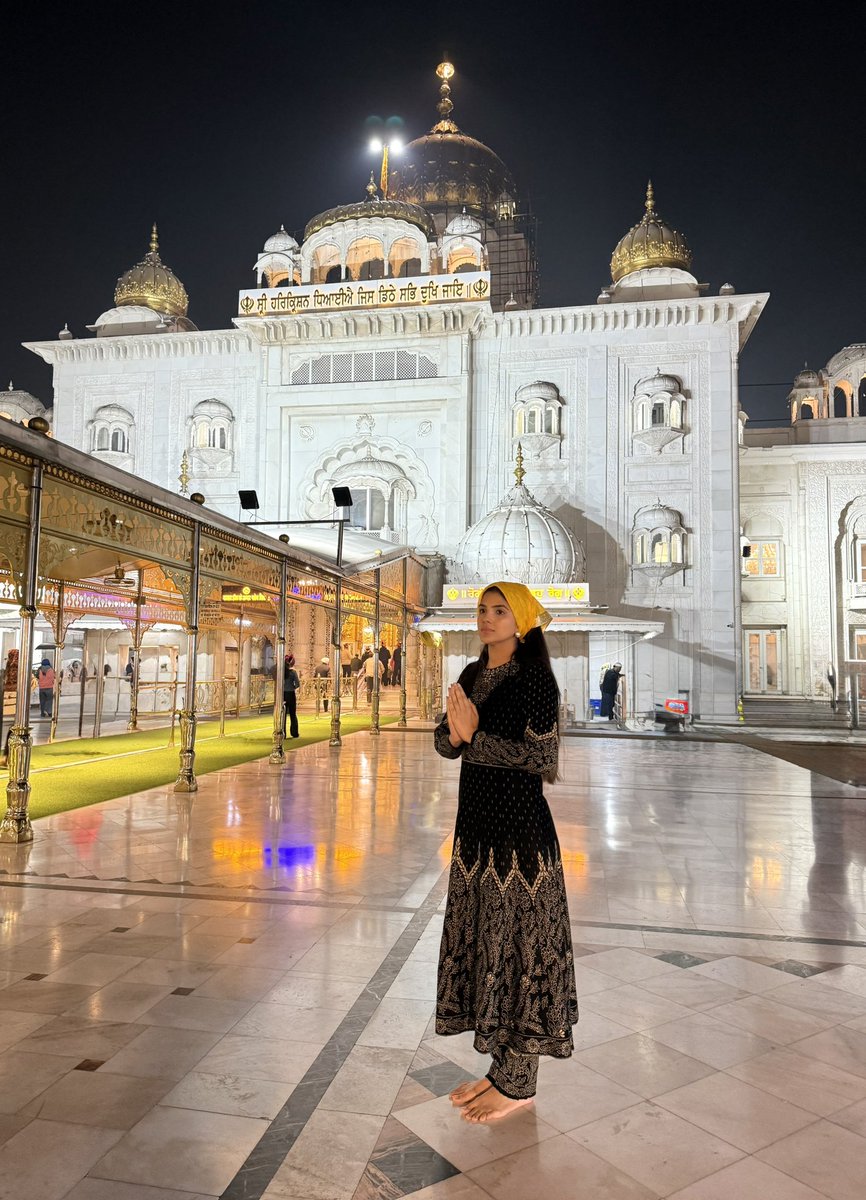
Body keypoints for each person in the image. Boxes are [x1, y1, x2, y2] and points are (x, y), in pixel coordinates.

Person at [434, 581, 578, 1123]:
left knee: (518, 952)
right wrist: (455, 735)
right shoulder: (473, 674)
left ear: (520, 622)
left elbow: (542, 757)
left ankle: (520, 1086)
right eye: (481, 610)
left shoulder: (535, 679)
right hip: (475, 834)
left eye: (499, 611)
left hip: (519, 839)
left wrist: (474, 739)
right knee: (489, 951)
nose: (486, 619)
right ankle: (501, 1071)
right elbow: (445, 742)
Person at [282, 653, 300, 738]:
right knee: (293, 714)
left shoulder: (282, 672)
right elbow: (297, 684)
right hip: (291, 694)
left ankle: (282, 733)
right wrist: (292, 687)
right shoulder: (293, 672)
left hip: (283, 694)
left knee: (283, 715)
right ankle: (294, 733)